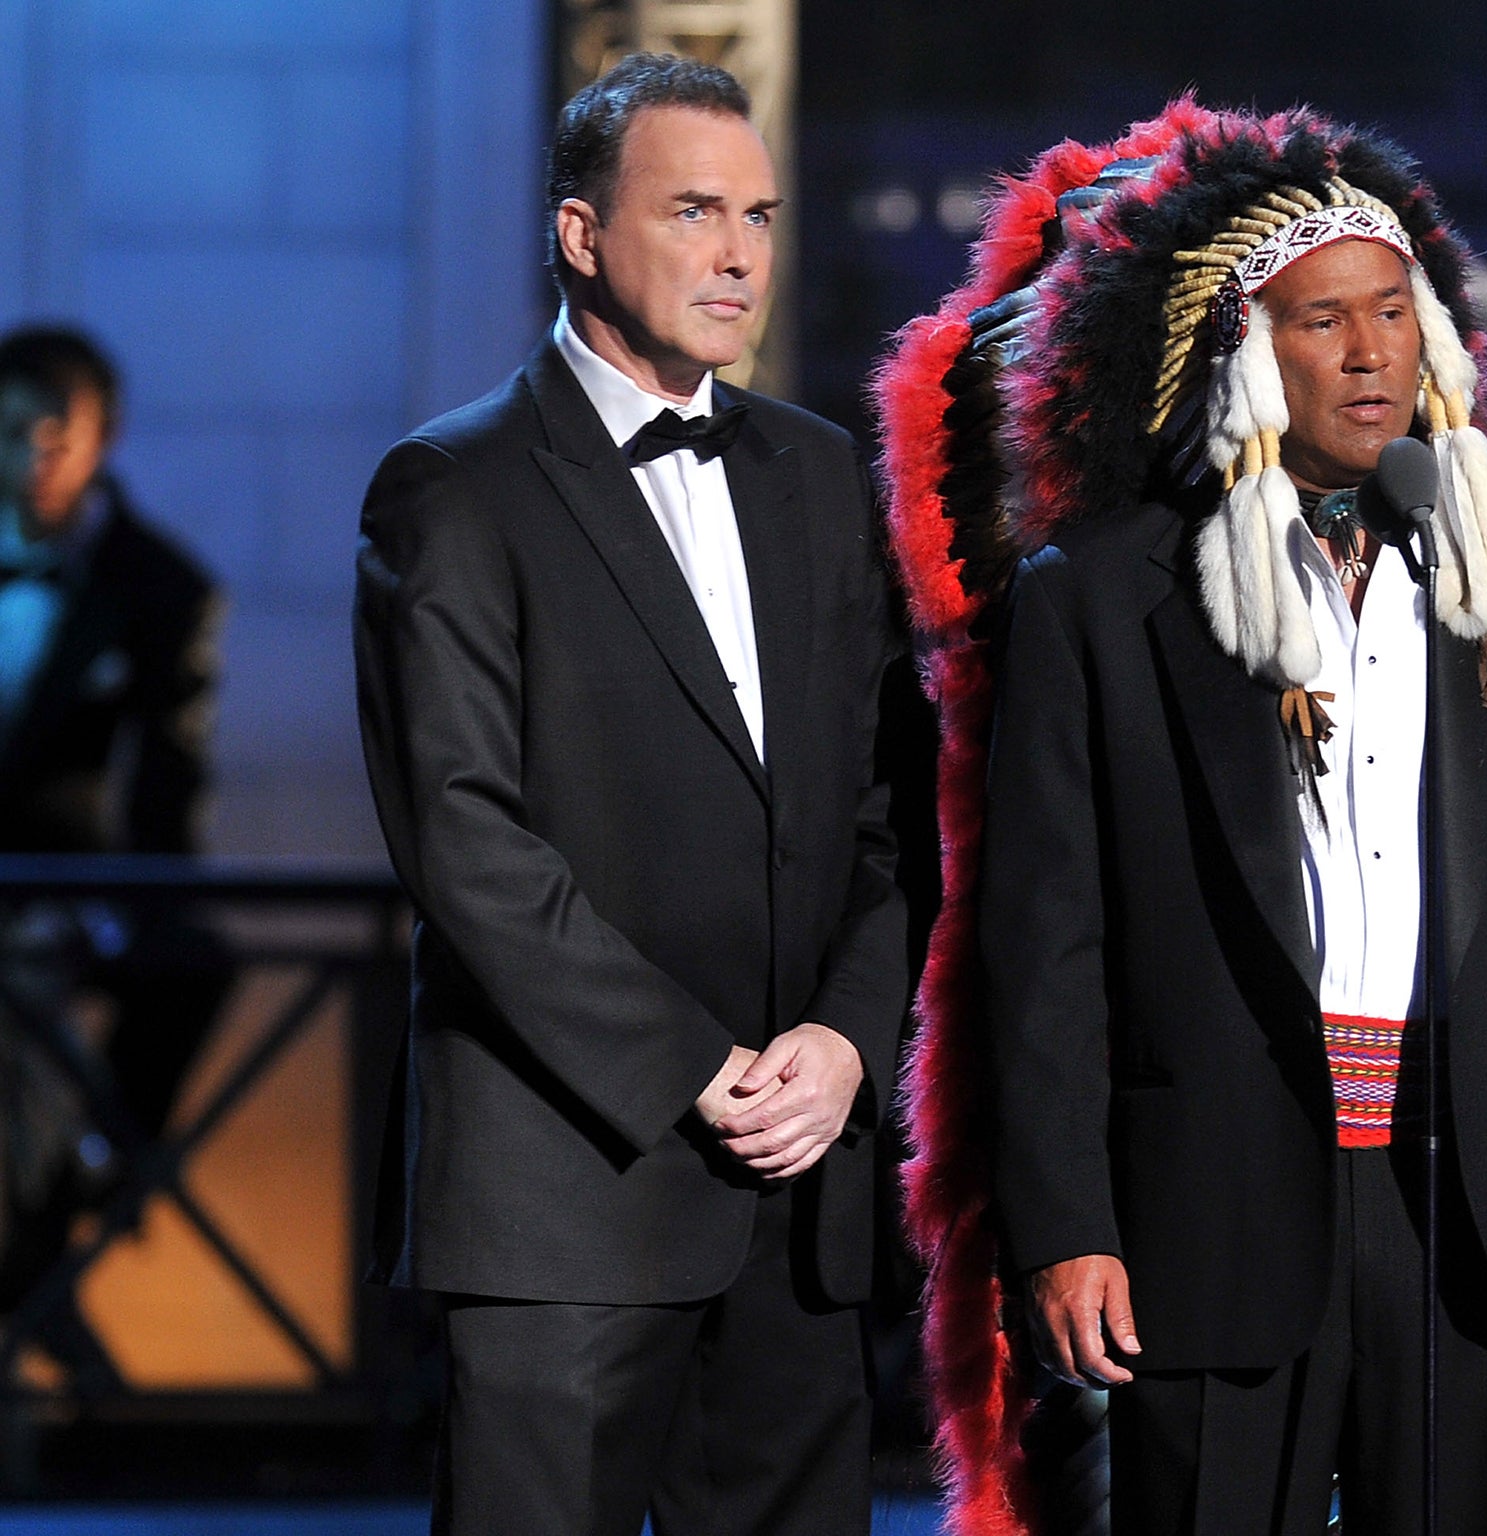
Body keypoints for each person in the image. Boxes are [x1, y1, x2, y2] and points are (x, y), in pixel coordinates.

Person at [879, 106, 1487, 1535]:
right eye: (1324, 320)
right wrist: (1066, 1220)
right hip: (1206, 1210)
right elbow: (1045, 947)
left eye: (1393, 314)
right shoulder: (1103, 600)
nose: (1369, 350)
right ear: (1242, 353)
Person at [353, 54, 906, 1536]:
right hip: (564, 1200)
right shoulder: (454, 485)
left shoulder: (818, 473)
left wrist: (848, 1046)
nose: (739, 255)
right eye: (695, 212)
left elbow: (880, 819)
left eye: (762, 216)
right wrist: (693, 1068)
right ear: (582, 235)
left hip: (800, 1204)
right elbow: (463, 839)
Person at [0, 328, 228, 1319]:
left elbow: (168, 775)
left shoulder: (161, 584)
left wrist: (141, 901)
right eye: (12, 434)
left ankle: (92, 1193)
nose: (33, 459)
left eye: (57, 435)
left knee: (190, 969)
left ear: (102, 439)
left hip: (74, 880)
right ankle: (38, 1275)